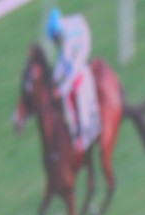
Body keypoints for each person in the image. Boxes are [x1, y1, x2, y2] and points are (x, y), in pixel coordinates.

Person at [46, 7, 98, 152]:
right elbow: (61, 59)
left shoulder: (68, 38)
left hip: (83, 44)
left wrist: (61, 89)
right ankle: (74, 128)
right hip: (76, 40)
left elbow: (71, 69)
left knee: (77, 86)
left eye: (56, 40)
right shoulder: (62, 32)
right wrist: (54, 78)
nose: (56, 43)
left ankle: (86, 131)